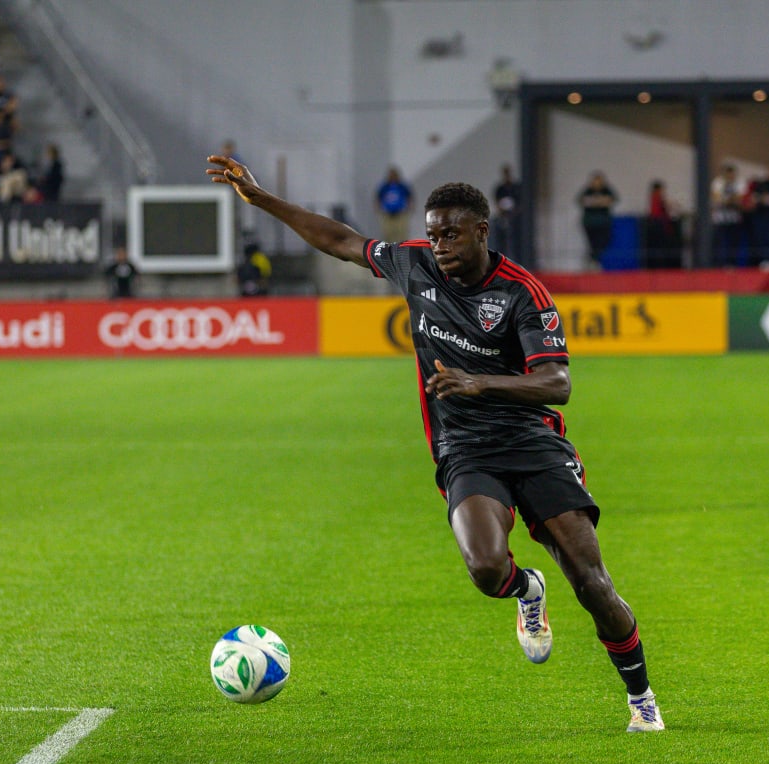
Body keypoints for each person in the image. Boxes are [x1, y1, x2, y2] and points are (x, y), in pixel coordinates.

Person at [206, 152, 665, 732]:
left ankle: (641, 699)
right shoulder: (414, 266)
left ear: (481, 230)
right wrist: (262, 197)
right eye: (432, 234)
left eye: (451, 234)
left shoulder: (523, 292)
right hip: (466, 449)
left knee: (593, 583)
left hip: (532, 441)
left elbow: (558, 383)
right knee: (484, 566)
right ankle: (527, 588)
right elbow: (341, 241)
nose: (440, 244)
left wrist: (478, 382)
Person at [577, 170, 617, 268]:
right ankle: (593, 262)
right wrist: (600, 201)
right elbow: (581, 200)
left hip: (604, 223)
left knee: (603, 243)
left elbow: (612, 199)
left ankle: (594, 261)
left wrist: (595, 202)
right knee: (593, 244)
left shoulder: (606, 190)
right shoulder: (588, 191)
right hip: (590, 223)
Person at [490, 163, 522, 261]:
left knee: (516, 243)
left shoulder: (516, 187)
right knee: (501, 242)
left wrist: (515, 212)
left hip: (515, 219)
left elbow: (521, 202)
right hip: (502, 217)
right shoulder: (500, 189)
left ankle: (517, 260)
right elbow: (496, 202)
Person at [375, 165, 413, 243]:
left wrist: (409, 207)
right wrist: (378, 208)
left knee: (401, 233)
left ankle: (402, 248)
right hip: (388, 213)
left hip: (400, 213)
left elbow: (409, 196)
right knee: (387, 233)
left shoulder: (402, 186)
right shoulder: (385, 186)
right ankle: (388, 249)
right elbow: (378, 197)